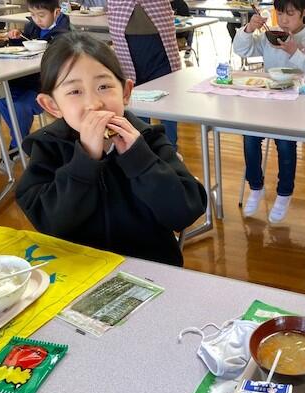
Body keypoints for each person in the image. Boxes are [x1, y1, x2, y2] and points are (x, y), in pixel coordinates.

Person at [15, 33, 207, 266]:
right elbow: (50, 222)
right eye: (74, 91)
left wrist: (140, 159)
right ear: (52, 105)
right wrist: (85, 160)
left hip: (151, 269)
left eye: (104, 86)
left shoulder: (149, 139)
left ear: (125, 92)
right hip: (81, 270)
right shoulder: (47, 147)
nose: (94, 103)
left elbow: (183, 213)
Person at [233, 0, 305, 223]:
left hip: (302, 103)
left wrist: (294, 51)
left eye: (290, 13)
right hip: (270, 101)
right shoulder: (270, 35)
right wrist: (249, 29)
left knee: (285, 141)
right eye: (279, 13)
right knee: (250, 136)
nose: (284, 20)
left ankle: (284, 192)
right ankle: (255, 187)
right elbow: (242, 50)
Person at [0, 0, 70, 174]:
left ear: (56, 13)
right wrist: (16, 39)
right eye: (33, 15)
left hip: (45, 89)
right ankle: (22, 143)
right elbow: (22, 48)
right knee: (0, 98)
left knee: (19, 106)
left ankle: (16, 147)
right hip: (22, 81)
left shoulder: (64, 34)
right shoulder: (31, 27)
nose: (37, 20)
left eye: (41, 15)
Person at [107, 0, 180, 148]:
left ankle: (170, 151)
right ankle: (141, 150)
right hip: (124, 32)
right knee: (135, 101)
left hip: (158, 32)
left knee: (167, 101)